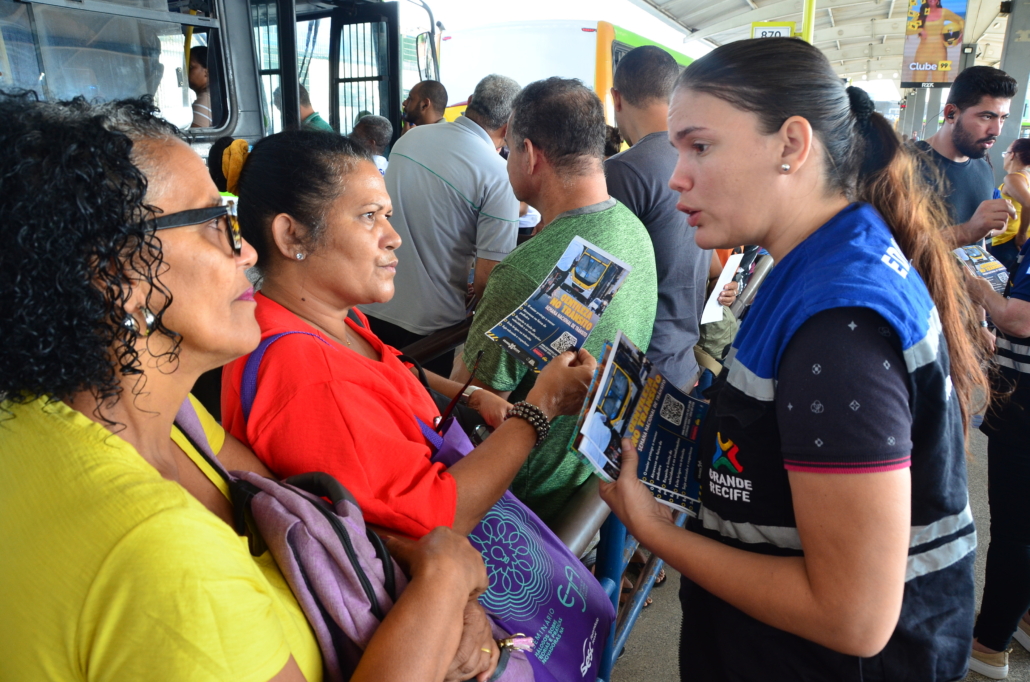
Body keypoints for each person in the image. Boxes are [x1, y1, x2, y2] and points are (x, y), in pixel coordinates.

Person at [0, 93, 499, 682]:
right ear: (118, 275)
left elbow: (307, 512)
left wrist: (427, 572)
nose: (246, 250)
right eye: (215, 224)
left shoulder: (150, 418)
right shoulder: (166, 559)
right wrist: (445, 578)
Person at [599, 38, 988, 681]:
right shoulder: (821, 260)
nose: (676, 177)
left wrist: (658, 533)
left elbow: (853, 616)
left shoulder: (837, 327)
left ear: (792, 144)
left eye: (701, 147)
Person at [220, 130, 596, 540]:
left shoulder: (329, 319)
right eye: (369, 216)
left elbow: (390, 369)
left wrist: (472, 395)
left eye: (387, 215)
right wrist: (541, 407)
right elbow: (441, 520)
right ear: (291, 235)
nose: (393, 237)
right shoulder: (310, 377)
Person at [456, 77, 658, 527]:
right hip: (589, 473)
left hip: (524, 498)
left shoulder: (525, 273)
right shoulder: (634, 230)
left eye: (509, 150)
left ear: (529, 154)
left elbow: (470, 398)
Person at [363, 74, 522, 376]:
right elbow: (489, 280)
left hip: (370, 301)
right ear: (510, 126)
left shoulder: (409, 139)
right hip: (430, 328)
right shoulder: (499, 175)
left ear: (470, 103)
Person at [607, 45, 712, 392]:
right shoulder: (702, 158)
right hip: (683, 367)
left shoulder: (623, 171)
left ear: (616, 99)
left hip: (635, 378)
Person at [964, 228, 1030, 679]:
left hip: (1026, 405)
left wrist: (977, 289)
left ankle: (989, 644)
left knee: (1015, 529)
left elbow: (1018, 319)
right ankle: (1022, 617)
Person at [917, 65, 1018, 248]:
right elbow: (888, 249)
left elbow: (979, 243)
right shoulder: (903, 165)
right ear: (951, 114)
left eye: (1003, 118)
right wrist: (966, 232)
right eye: (986, 117)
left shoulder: (983, 168)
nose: (996, 130)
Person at [989, 138, 1030, 271]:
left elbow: (1028, 204)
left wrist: (1021, 235)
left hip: (1009, 242)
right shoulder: (1026, 178)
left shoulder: (1013, 178)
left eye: (1005, 153)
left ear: (1012, 155)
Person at [911, 0, 964, 85]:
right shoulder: (920, 14)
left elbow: (960, 20)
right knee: (918, 79)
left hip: (940, 51)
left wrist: (960, 35)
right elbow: (908, 29)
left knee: (939, 80)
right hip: (923, 51)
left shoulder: (944, 12)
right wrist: (919, 30)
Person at [189, 45, 213, 127]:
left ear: (206, 72)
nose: (185, 71)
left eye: (190, 67)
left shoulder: (206, 100)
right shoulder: (213, 96)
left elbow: (196, 134)